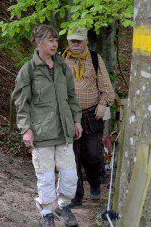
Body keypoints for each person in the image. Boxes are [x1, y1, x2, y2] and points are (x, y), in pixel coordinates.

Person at [12, 25, 82, 227]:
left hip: (64, 132)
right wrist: (26, 129)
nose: (55, 44)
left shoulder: (62, 67)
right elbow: (21, 103)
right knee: (46, 177)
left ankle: (64, 205)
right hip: (41, 134)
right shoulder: (28, 70)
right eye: (50, 40)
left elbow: (71, 97)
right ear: (39, 41)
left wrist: (76, 120)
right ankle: (46, 212)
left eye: (56, 40)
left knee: (70, 177)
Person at [63, 28, 115, 207]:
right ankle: (76, 196)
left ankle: (94, 182)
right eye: (72, 41)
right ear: (68, 42)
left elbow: (108, 90)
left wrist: (102, 104)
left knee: (92, 154)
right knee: (71, 158)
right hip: (68, 116)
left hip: (91, 115)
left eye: (79, 41)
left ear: (86, 42)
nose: (75, 45)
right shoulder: (61, 60)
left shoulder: (95, 58)